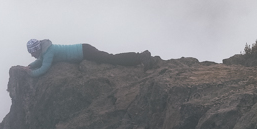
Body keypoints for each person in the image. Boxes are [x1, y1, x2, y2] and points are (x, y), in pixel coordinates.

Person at [20, 39, 155, 77]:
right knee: (109, 58)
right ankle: (140, 57)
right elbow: (40, 61)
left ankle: (140, 57)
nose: (32, 55)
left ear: (36, 49)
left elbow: (44, 68)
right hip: (83, 49)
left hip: (84, 51)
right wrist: (30, 66)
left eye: (32, 52)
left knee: (110, 59)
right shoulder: (45, 50)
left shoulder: (48, 51)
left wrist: (30, 73)